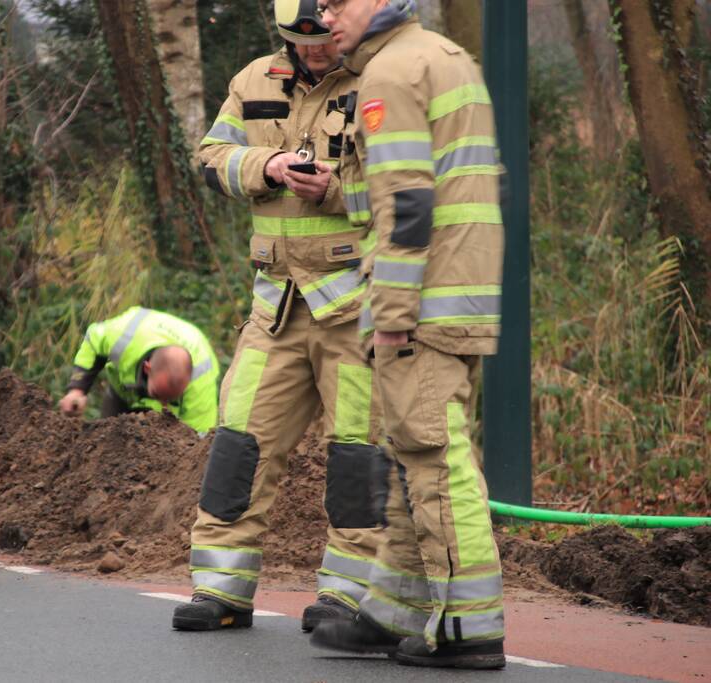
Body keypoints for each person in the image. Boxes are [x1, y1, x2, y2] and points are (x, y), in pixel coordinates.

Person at [171, 0, 389, 634]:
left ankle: (349, 596)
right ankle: (221, 591)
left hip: (355, 309)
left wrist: (336, 190)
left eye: (324, 40)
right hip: (276, 306)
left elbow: (409, 185)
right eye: (301, 42)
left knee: (357, 455)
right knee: (238, 444)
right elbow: (210, 157)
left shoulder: (379, 80)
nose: (315, 51)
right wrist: (264, 167)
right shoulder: (253, 80)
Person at [311, 0, 507, 670]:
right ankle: (393, 610)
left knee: (433, 461)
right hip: (460, 291)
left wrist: (391, 315)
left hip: (419, 303)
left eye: (337, 2)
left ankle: (468, 627)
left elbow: (407, 205)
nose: (325, 15)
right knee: (411, 454)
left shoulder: (390, 73)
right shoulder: (446, 57)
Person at [59, 307, 219, 435]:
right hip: (123, 393)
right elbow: (93, 342)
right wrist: (77, 390)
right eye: (158, 395)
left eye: (171, 399)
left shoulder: (201, 380)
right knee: (105, 441)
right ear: (147, 368)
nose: (164, 405)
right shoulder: (123, 336)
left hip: (171, 425)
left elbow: (198, 437)